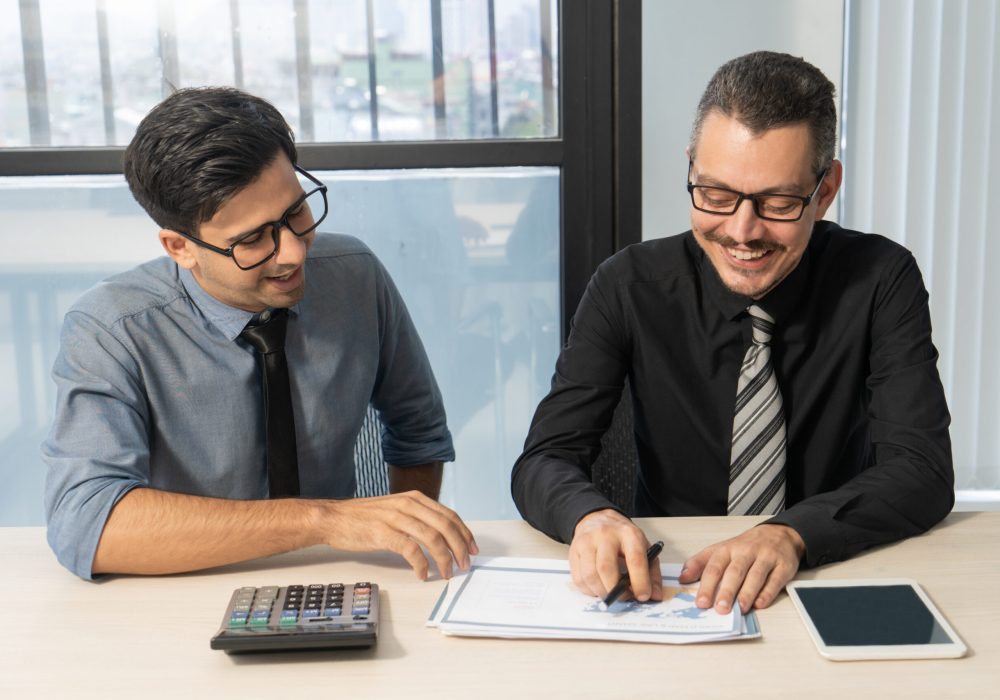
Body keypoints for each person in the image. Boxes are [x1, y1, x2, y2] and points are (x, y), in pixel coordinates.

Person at [511, 51, 953, 616]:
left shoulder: (881, 279)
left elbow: (923, 470)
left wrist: (791, 534)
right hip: (675, 587)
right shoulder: (627, 285)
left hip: (828, 571)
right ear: (692, 167)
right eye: (716, 195)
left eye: (778, 202)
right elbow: (544, 459)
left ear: (826, 190)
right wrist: (589, 517)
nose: (742, 232)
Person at [43, 87, 477, 581]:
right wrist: (322, 519)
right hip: (191, 583)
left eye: (296, 213)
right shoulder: (111, 328)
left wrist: (403, 545)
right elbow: (85, 522)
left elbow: (418, 430)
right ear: (179, 246)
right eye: (252, 239)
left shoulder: (355, 275)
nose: (293, 253)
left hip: (338, 576)